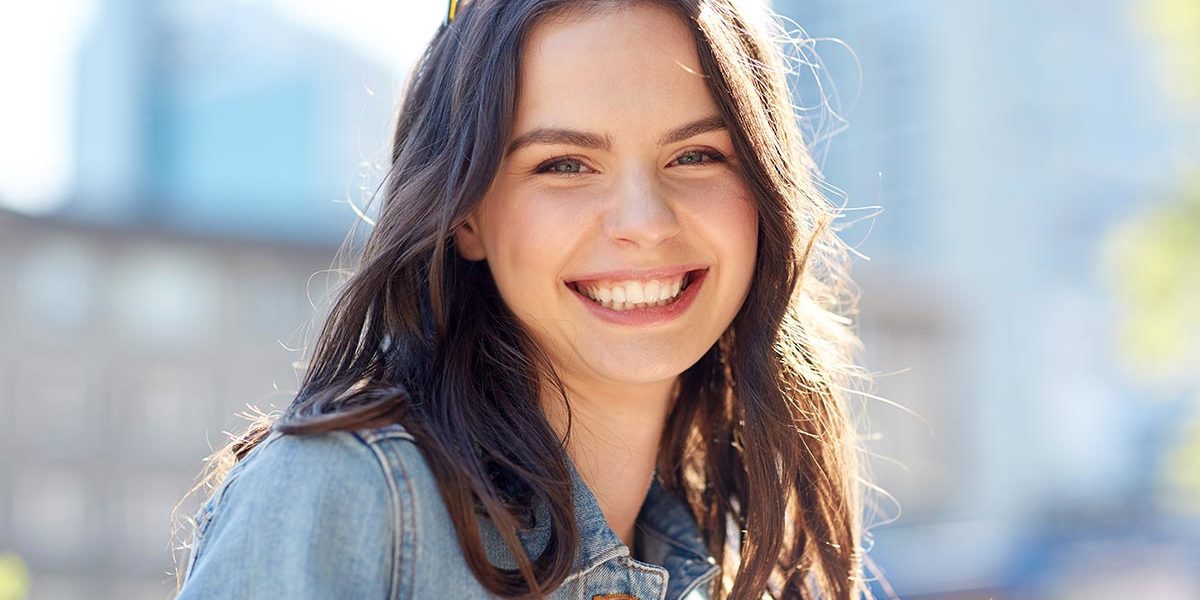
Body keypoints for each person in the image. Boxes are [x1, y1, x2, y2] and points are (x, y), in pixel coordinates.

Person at [174, 0, 874, 598]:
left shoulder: (732, 561)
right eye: (564, 165)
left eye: (697, 155)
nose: (645, 222)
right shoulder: (346, 499)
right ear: (466, 213)